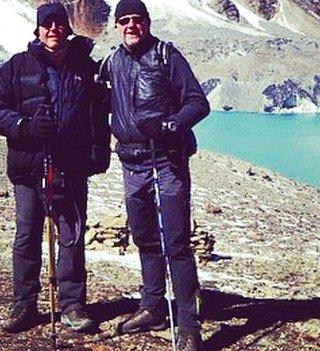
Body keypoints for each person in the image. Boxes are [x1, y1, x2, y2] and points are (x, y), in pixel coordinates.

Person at [0, 2, 110, 334]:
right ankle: (24, 305)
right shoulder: (16, 67)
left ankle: (72, 304)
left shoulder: (85, 68)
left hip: (71, 166)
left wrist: (98, 155)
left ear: (67, 29)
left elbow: (99, 114)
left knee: (71, 236)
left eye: (59, 24)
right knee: (27, 237)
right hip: (29, 167)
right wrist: (24, 126)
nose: (53, 29)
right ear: (38, 30)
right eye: (47, 24)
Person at [99, 0, 210, 349]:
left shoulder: (166, 55)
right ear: (117, 25)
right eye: (124, 20)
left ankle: (188, 324)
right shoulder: (112, 63)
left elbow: (197, 102)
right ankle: (152, 307)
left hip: (166, 161)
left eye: (137, 20)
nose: (131, 25)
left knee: (176, 242)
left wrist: (172, 124)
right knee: (144, 237)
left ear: (147, 23)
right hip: (131, 162)